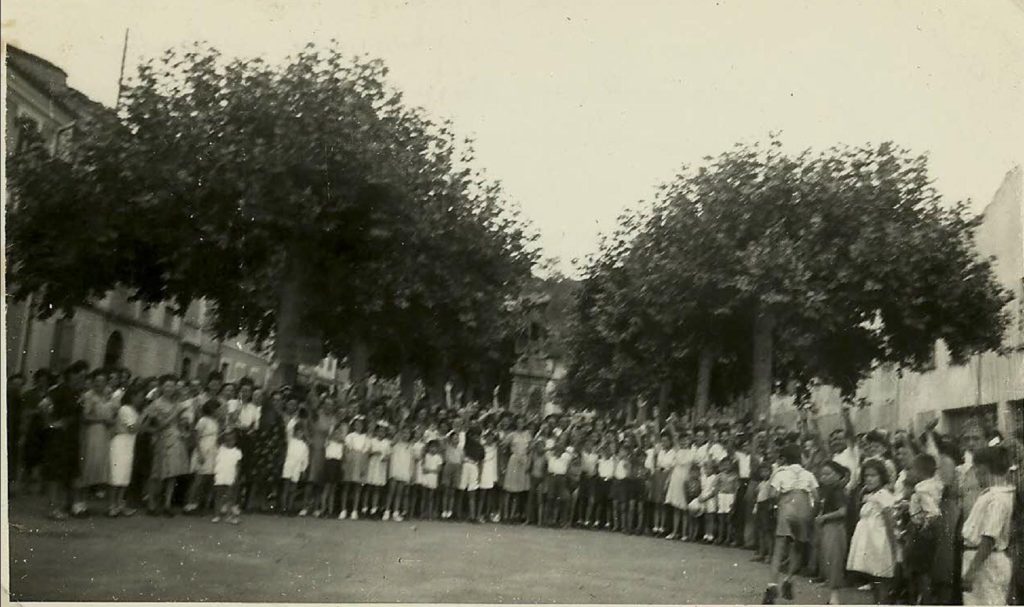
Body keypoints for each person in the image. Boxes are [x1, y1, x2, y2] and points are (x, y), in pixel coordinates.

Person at [762, 443, 818, 605]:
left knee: (779, 549)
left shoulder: (780, 473)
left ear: (784, 459)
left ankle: (772, 586)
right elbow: (817, 496)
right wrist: (811, 515)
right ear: (800, 457)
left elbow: (772, 494)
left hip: (787, 508)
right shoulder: (808, 474)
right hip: (803, 509)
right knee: (798, 547)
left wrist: (778, 503)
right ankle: (789, 579)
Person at [961, 445, 1015, 606]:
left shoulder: (997, 499)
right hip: (983, 560)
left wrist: (971, 571)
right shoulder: (994, 494)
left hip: (986, 563)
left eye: (976, 469)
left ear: (983, 469)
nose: (975, 473)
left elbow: (989, 538)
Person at [847, 459, 899, 604]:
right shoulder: (869, 495)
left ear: (882, 476)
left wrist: (893, 546)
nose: (869, 479)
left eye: (873, 475)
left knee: (881, 580)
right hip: (869, 543)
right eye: (866, 476)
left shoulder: (883, 495)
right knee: (874, 579)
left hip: (879, 542)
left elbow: (889, 522)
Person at [815, 460, 850, 605]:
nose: (824, 477)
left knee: (834, 560)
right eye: (822, 474)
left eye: (828, 474)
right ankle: (832, 595)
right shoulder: (827, 490)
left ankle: (835, 597)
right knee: (828, 559)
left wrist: (824, 517)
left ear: (838, 475)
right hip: (827, 527)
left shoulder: (837, 491)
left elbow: (842, 511)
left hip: (835, 527)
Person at [107, 384, 143, 517]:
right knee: (117, 475)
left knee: (125, 476)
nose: (142, 399)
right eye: (139, 396)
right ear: (133, 397)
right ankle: (112, 505)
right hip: (121, 443)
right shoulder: (125, 409)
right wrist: (145, 416)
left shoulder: (133, 410)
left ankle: (120, 504)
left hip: (129, 443)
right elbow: (133, 428)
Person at [185, 400, 220, 513]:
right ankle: (189, 504)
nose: (219, 411)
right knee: (198, 479)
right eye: (217, 409)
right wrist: (199, 453)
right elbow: (196, 436)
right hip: (203, 449)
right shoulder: (203, 420)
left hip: (212, 450)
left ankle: (199, 504)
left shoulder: (215, 421)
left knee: (207, 479)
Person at [340, 416, 369, 520]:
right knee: (346, 486)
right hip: (350, 461)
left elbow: (365, 454)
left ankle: (354, 510)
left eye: (360, 424)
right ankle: (343, 510)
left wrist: (363, 467)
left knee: (357, 487)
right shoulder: (349, 436)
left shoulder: (366, 438)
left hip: (360, 461)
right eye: (356, 424)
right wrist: (345, 464)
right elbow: (346, 451)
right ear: (353, 425)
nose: (358, 426)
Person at [212, 430, 243, 524]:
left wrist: (236, 477)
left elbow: (238, 466)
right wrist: (225, 431)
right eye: (227, 439)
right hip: (220, 475)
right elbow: (217, 439)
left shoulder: (237, 452)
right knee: (218, 496)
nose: (229, 441)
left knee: (230, 497)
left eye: (231, 439)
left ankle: (228, 516)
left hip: (230, 476)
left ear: (235, 440)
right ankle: (216, 515)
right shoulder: (220, 448)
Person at [280, 421, 310, 514]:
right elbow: (288, 428)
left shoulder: (304, 445)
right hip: (288, 465)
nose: (299, 434)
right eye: (298, 431)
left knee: (293, 489)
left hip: (297, 468)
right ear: (295, 432)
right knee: (286, 487)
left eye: (301, 432)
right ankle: (283, 508)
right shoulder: (290, 441)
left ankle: (290, 507)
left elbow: (305, 459)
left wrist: (303, 470)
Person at [385, 426, 413, 521]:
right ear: (400, 434)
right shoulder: (395, 444)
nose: (406, 435)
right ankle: (387, 511)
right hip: (395, 469)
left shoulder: (410, 446)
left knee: (399, 493)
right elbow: (389, 451)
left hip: (404, 470)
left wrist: (410, 473)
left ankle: (395, 512)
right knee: (391, 491)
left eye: (408, 433)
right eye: (404, 433)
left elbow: (410, 461)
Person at [321, 420, 346, 518]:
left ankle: (330, 511)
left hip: (337, 464)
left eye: (339, 433)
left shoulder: (341, 445)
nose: (337, 435)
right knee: (326, 488)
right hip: (329, 464)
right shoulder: (328, 442)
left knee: (333, 489)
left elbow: (342, 456)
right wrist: (332, 431)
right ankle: (323, 509)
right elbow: (328, 436)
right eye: (335, 433)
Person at [419, 439, 443, 519]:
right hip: (425, 478)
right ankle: (422, 514)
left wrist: (429, 470)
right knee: (423, 496)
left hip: (433, 478)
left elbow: (438, 470)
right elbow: (422, 467)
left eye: (435, 447)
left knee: (431, 497)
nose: (433, 449)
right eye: (431, 447)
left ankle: (429, 514)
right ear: (428, 447)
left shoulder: (439, 457)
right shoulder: (425, 456)